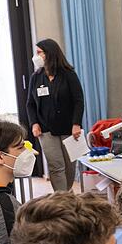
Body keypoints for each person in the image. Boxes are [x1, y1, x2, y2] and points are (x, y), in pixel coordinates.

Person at [26, 38, 85, 192]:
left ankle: (67, 192)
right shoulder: (36, 77)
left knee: (69, 166)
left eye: (39, 52)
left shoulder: (68, 74)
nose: (36, 56)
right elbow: (30, 104)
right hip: (45, 129)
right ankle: (62, 199)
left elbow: (78, 100)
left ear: (49, 54)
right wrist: (34, 123)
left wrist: (76, 124)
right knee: (56, 166)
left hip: (68, 128)